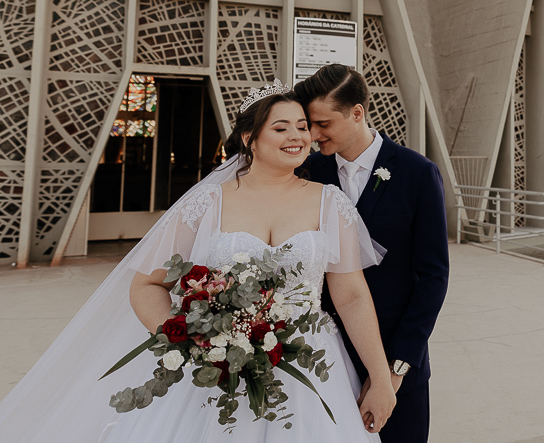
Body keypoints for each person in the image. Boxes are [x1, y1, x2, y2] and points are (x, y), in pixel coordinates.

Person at [0, 82, 395, 442]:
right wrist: (193, 342)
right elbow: (146, 284)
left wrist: (380, 380)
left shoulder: (331, 202)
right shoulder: (208, 202)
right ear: (249, 138)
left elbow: (352, 297)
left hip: (310, 364)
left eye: (302, 126)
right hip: (216, 368)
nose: (297, 136)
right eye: (280, 128)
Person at [295, 65, 449, 443]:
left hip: (397, 353)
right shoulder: (308, 173)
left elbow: (433, 276)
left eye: (323, 124)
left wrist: (394, 371)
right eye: (309, 125)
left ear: (357, 112)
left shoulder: (417, 173)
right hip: (322, 359)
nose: (314, 136)